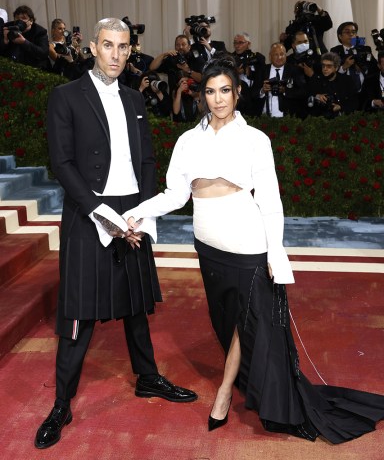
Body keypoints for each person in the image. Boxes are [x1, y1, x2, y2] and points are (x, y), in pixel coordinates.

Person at [121, 54, 384, 444]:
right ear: (203, 96)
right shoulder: (187, 141)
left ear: (238, 93)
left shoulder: (255, 140)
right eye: (210, 92)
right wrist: (136, 213)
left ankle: (225, 393)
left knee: (251, 320)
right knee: (226, 321)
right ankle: (245, 382)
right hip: (208, 243)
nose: (218, 99)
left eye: (225, 90)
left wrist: (275, 253)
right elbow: (175, 196)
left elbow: (271, 201)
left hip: (247, 242)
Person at [34, 17, 197, 450]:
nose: (117, 54)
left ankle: (147, 378)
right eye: (108, 45)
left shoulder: (132, 97)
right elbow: (62, 165)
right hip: (91, 211)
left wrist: (142, 212)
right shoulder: (65, 96)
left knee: (136, 301)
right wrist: (103, 214)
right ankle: (62, 403)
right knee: (79, 311)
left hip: (134, 209)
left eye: (124, 47)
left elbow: (145, 160)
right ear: (93, 47)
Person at [257, 43, 307, 118]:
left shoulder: (295, 70)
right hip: (265, 117)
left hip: (288, 118)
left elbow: (303, 92)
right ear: (270, 56)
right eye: (276, 55)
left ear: (286, 55)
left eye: (282, 54)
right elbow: (253, 92)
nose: (279, 57)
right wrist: (262, 91)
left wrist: (285, 91)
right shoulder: (262, 70)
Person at [307, 52, 359, 119]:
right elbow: (306, 95)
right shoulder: (316, 80)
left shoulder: (346, 80)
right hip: (321, 120)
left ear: (336, 68)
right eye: (323, 66)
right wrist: (317, 96)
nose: (325, 69)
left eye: (329, 66)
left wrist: (340, 107)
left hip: (343, 120)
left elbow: (355, 102)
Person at [0, 5, 49, 70]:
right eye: (17, 18)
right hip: (9, 67)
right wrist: (4, 41)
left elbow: (43, 53)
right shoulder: (7, 27)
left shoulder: (40, 31)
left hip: (33, 68)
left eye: (23, 18)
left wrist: (24, 42)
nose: (20, 21)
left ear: (31, 21)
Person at [232, 32, 265, 117]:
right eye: (235, 43)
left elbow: (261, 75)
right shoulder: (230, 58)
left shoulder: (257, 57)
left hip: (253, 97)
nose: (237, 45)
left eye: (240, 42)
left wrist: (248, 72)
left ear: (248, 44)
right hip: (235, 98)